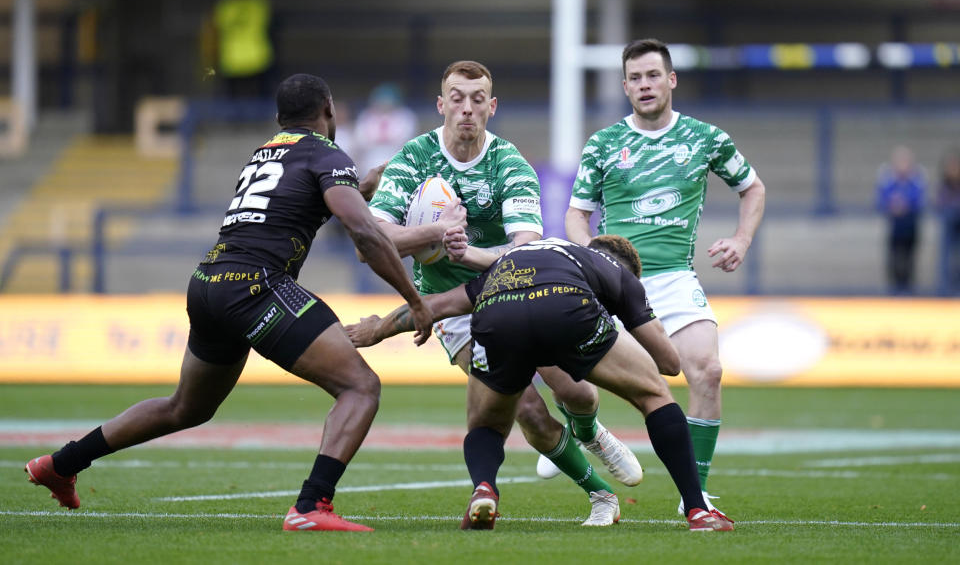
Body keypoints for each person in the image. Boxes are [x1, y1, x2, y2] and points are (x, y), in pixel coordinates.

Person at [24, 73, 434, 533]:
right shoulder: (327, 154)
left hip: (208, 282)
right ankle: (310, 506)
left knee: (187, 408)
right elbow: (363, 232)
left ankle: (60, 464)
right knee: (360, 387)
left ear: (281, 117)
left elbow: (296, 204)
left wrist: (360, 189)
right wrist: (414, 299)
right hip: (257, 285)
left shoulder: (264, 152)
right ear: (329, 110)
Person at [365, 60, 642, 526]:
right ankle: (601, 496)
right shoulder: (413, 158)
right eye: (457, 99)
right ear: (441, 105)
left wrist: (464, 248)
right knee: (528, 410)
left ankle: (590, 432)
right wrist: (436, 229)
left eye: (477, 100)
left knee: (577, 394)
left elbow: (526, 251)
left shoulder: (510, 164)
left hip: (518, 291)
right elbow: (374, 234)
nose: (467, 110)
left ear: (491, 107)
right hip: (454, 309)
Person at [346, 235, 734, 532]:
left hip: (497, 313)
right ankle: (698, 508)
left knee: (486, 425)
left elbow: (435, 306)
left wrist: (377, 329)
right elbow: (668, 364)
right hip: (567, 308)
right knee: (653, 395)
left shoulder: (519, 259)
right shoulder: (618, 274)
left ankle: (484, 488)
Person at [565, 38, 766, 517]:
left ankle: (694, 493)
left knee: (708, 371)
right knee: (577, 382)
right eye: (635, 78)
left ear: (671, 80)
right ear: (625, 86)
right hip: (614, 282)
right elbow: (577, 215)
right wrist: (592, 257)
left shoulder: (705, 138)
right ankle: (583, 427)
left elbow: (752, 187)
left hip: (675, 278)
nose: (644, 85)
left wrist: (741, 240)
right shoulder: (604, 144)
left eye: (653, 75)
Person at [875, 145, 926, 295]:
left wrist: (906, 205)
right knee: (894, 259)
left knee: (910, 259)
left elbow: (919, 200)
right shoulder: (888, 180)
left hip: (911, 225)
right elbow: (880, 200)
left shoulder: (916, 179)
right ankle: (895, 291)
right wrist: (892, 205)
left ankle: (908, 290)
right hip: (895, 227)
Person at [352, 82, 419, 176]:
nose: (384, 105)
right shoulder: (366, 116)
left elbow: (406, 140)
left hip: (397, 161)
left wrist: (384, 138)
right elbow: (360, 139)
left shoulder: (405, 116)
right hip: (370, 161)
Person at [936, 148, 960, 294]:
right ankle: (945, 289)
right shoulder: (944, 185)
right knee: (945, 256)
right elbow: (940, 203)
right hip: (949, 224)